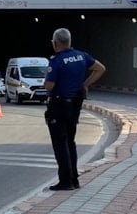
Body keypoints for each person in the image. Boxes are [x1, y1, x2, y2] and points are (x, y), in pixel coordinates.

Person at [44, 28, 106, 191]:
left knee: (60, 143)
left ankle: (65, 181)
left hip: (59, 104)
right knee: (70, 141)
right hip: (75, 104)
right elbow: (100, 68)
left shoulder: (56, 61)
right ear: (69, 42)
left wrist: (47, 83)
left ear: (55, 43)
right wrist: (84, 84)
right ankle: (74, 179)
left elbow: (49, 85)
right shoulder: (82, 56)